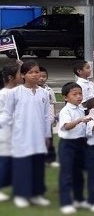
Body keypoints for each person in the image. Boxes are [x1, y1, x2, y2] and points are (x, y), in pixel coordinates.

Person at [0, 61, 54, 209]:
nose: (35, 75)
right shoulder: (14, 93)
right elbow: (7, 114)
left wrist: (47, 136)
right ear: (23, 75)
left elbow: (45, 116)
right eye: (31, 72)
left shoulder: (44, 93)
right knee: (22, 166)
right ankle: (21, 195)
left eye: (37, 72)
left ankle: (36, 194)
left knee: (37, 165)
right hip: (20, 137)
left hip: (38, 137)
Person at [57, 82, 89, 214]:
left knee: (79, 173)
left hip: (81, 143)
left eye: (80, 94)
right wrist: (80, 120)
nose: (79, 97)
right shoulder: (66, 110)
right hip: (68, 144)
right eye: (74, 94)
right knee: (67, 174)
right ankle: (65, 202)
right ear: (65, 97)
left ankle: (79, 198)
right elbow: (66, 126)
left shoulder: (81, 108)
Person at [0, 66, 22, 202]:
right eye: (20, 74)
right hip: (6, 133)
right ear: (10, 78)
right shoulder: (3, 94)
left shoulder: (18, 92)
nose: (23, 76)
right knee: (5, 162)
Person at [37, 67, 57, 168]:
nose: (41, 78)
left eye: (44, 76)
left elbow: (52, 104)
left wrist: (54, 117)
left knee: (49, 139)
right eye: (39, 76)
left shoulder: (49, 90)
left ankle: (50, 158)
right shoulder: (33, 90)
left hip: (47, 119)